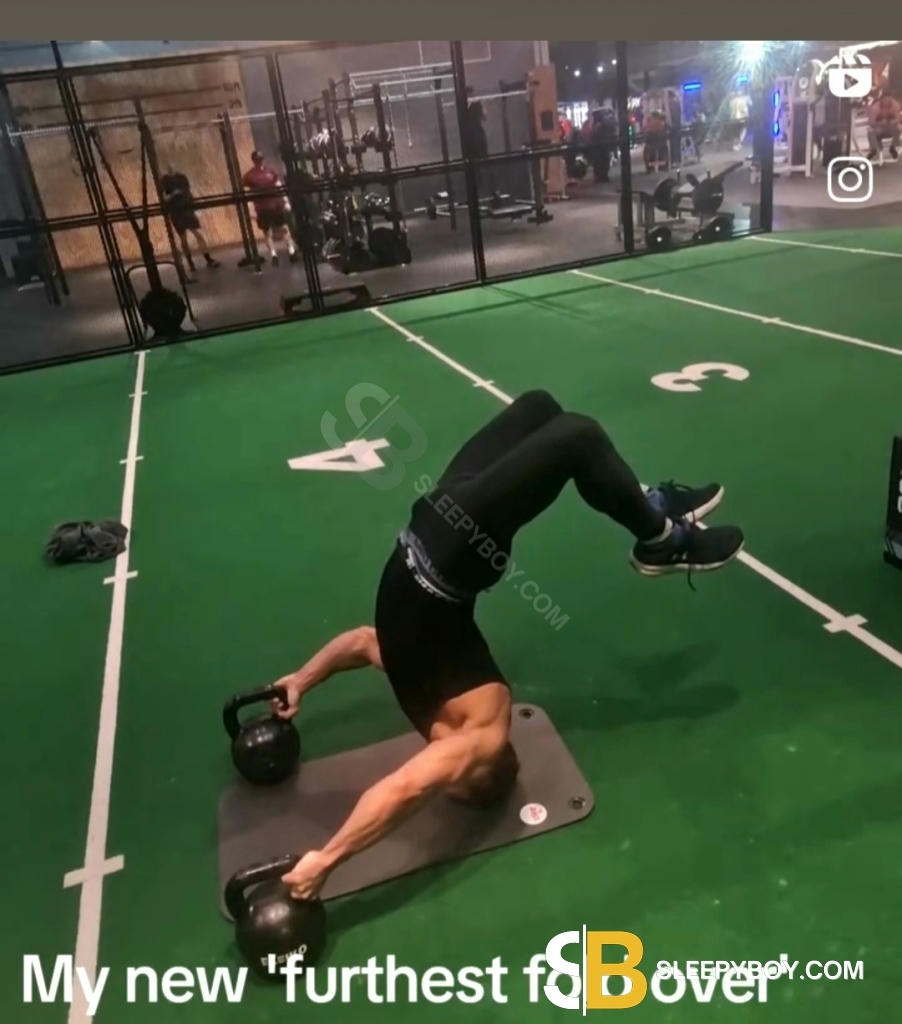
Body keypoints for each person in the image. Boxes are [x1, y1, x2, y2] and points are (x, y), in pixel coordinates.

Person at [272, 390, 744, 900]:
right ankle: (660, 539)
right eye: (450, 780)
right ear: (473, 771)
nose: (436, 772)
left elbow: (363, 643)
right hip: (455, 550)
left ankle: (642, 506)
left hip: (432, 526)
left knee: (541, 409)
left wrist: (301, 680)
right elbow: (406, 787)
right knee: (575, 436)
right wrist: (327, 860)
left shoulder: (427, 700)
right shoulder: (482, 736)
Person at [241, 151, 300, 267]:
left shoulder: (271, 172)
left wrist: (286, 201)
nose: (260, 161)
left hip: (276, 206)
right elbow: (247, 195)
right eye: (257, 159)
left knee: (284, 228)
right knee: (267, 233)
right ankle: (274, 255)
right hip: (262, 208)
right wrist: (250, 210)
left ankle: (292, 251)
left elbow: (279, 186)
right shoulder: (249, 176)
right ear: (254, 160)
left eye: (261, 159)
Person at [159, 166, 219, 273]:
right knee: (185, 238)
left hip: (184, 209)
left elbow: (187, 191)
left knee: (196, 235)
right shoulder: (166, 180)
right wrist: (174, 195)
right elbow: (165, 198)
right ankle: (193, 262)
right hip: (178, 211)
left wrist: (190, 202)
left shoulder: (180, 178)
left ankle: (205, 259)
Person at [866, 91, 901, 161]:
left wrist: (894, 121)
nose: (887, 101)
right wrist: (880, 123)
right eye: (885, 99)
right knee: (870, 131)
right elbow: (871, 122)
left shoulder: (895, 105)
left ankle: (893, 147)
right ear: (881, 99)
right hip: (879, 128)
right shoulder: (875, 107)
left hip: (891, 128)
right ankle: (874, 150)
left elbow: (899, 119)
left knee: (899, 127)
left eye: (889, 98)